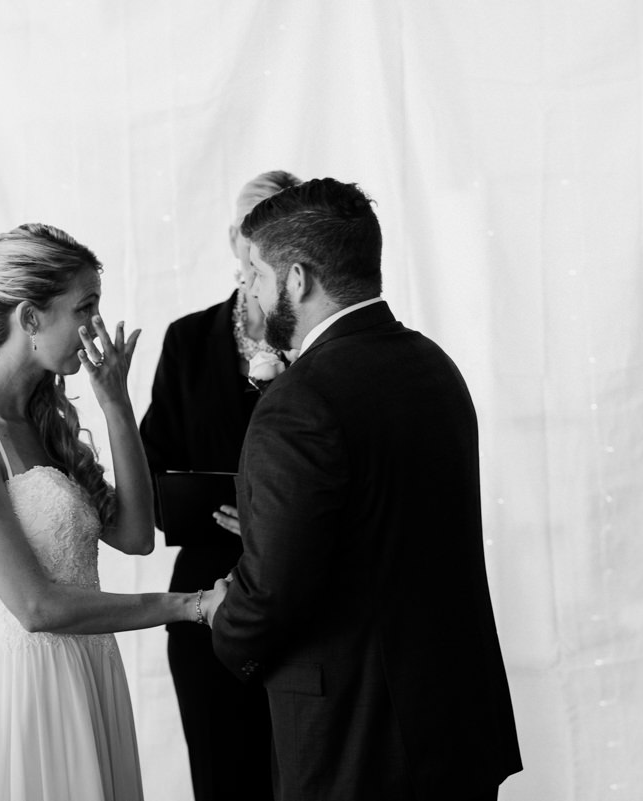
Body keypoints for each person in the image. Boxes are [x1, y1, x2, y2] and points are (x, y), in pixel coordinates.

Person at [206, 179, 523, 800]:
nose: (248, 292)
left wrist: (225, 620)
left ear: (296, 279)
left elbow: (273, 590)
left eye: (256, 276)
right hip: (452, 720)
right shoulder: (432, 364)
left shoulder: (298, 402)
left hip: (356, 740)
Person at [0, 223, 226, 801]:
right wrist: (190, 605)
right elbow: (34, 607)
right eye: (84, 308)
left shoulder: (40, 421)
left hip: (92, 673)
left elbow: (136, 536)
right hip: (29, 692)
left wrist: (116, 404)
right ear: (30, 316)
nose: (96, 327)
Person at [139, 170, 300, 801]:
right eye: (249, 227)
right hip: (206, 592)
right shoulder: (188, 339)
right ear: (234, 237)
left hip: (298, 588)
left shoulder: (316, 343)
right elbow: (153, 467)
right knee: (221, 774)